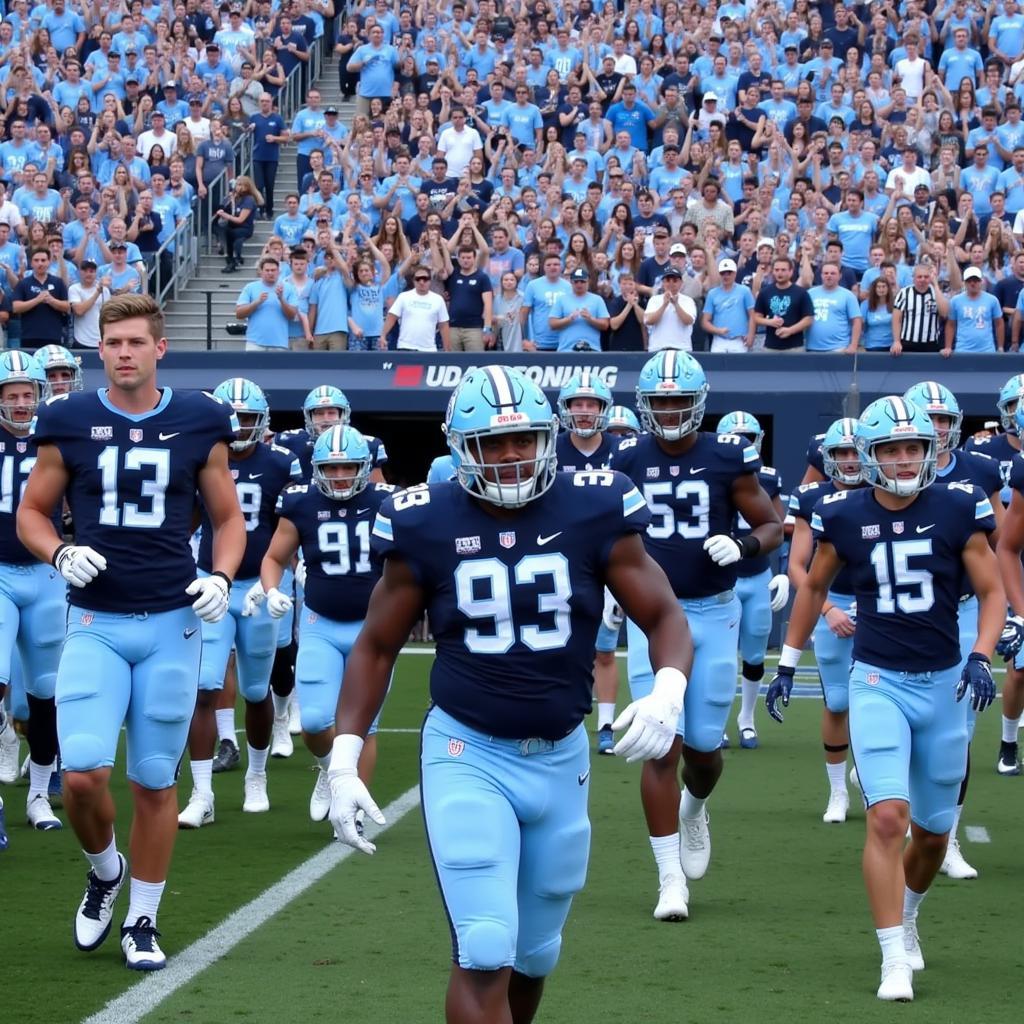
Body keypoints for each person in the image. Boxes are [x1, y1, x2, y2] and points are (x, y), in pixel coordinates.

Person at [324, 366, 693, 1023]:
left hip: (561, 756)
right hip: (469, 749)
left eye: (522, 439)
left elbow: (663, 615)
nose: (511, 456)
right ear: (460, 448)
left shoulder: (596, 504)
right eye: (492, 444)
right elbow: (377, 645)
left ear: (547, 436)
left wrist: (667, 690)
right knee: (486, 945)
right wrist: (345, 756)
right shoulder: (424, 521)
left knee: (535, 954)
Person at [17, 294, 245, 970]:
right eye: (111, 343)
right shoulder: (69, 418)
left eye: (134, 343)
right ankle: (105, 871)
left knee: (153, 782)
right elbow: (33, 512)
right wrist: (58, 552)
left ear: (158, 347)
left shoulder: (201, 418)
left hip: (173, 621)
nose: (122, 354)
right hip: (95, 619)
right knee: (83, 777)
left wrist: (223, 576)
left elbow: (227, 518)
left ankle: (142, 919)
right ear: (100, 351)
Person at [766, 396, 1003, 1002]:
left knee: (932, 833)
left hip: (945, 680)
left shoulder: (957, 505)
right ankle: (891, 955)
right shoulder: (841, 513)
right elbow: (814, 585)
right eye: (891, 450)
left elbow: (991, 589)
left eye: (913, 448)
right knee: (888, 818)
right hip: (879, 681)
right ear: (869, 457)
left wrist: (981, 653)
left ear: (931, 450)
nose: (903, 460)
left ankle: (911, 911)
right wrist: (789, 663)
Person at [611, 350, 782, 919]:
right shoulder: (628, 456)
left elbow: (772, 523)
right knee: (662, 745)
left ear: (699, 402)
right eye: (659, 401)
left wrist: (745, 545)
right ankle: (668, 880)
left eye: (679, 400)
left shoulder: (727, 457)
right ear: (645, 404)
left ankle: (695, 806)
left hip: (713, 612)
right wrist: (611, 593)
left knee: (705, 750)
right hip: (652, 616)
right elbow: (607, 533)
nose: (669, 410)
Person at [257, 426, 394, 835]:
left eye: (347, 467)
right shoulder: (300, 501)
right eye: (330, 468)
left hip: (373, 629)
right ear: (316, 468)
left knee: (363, 726)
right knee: (315, 722)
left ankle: (351, 812)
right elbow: (273, 557)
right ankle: (329, 770)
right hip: (320, 623)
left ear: (364, 466)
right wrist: (270, 590)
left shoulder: (386, 502)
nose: (338, 476)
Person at [177, 379, 302, 829]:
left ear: (263, 420)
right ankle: (202, 792)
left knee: (255, 690)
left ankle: (256, 774)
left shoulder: (281, 463)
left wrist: (282, 575)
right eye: (235, 418)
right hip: (213, 583)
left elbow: (291, 528)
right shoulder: (207, 457)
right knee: (205, 687)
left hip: (259, 588)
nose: (241, 426)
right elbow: (182, 523)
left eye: (249, 418)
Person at [903, 380, 1005, 881]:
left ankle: (947, 834)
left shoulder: (980, 470)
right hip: (898, 612)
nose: (939, 428)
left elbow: (1001, 544)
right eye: (930, 418)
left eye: (945, 419)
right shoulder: (887, 462)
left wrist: (1008, 613)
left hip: (960, 608)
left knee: (958, 725)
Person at [0, 352, 66, 834]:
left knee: (44, 694)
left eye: (28, 394)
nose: (21, 404)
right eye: (12, 396)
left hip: (46, 575)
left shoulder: (59, 437)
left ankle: (40, 794)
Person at [787, 417, 864, 822]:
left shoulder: (882, 493)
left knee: (876, 698)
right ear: (828, 457)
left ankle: (870, 777)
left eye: (855, 452)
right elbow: (798, 569)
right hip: (831, 601)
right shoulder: (810, 497)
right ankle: (837, 792)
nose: (850, 461)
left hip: (878, 604)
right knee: (837, 701)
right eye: (841, 453)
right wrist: (828, 609)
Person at [715, 412, 788, 750]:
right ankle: (717, 720)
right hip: (723, 579)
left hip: (758, 575)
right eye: (736, 437)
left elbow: (781, 526)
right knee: (722, 656)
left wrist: (784, 571)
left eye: (748, 436)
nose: (743, 443)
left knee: (755, 654)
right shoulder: (712, 475)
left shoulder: (769, 478)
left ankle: (746, 717)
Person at [234, 257, 298, 351]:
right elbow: (239, 314)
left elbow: (292, 315)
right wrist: (256, 302)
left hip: (279, 343)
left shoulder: (289, 288)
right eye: (267, 270)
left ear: (278, 272)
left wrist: (281, 299)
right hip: (255, 342)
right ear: (261, 272)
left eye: (273, 270)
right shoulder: (250, 287)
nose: (270, 273)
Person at [753, 256, 815, 351]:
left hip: (795, 347)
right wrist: (770, 322)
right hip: (770, 347)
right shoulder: (765, 292)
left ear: (791, 272)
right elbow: (756, 317)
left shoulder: (801, 293)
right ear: (773, 271)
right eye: (777, 270)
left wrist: (790, 330)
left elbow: (809, 319)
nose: (779, 273)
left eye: (783, 270)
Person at [11, 249, 70, 347]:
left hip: (53, 336)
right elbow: (16, 307)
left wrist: (51, 301)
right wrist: (37, 300)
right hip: (29, 336)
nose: (40, 263)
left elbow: (67, 306)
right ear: (31, 263)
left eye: (43, 260)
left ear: (49, 262)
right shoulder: (24, 283)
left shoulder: (58, 282)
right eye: (36, 260)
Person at [382, 269, 451, 352]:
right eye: (418, 279)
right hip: (405, 347)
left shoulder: (438, 300)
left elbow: (443, 325)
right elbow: (391, 317)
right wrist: (383, 335)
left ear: (430, 280)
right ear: (414, 281)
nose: (421, 282)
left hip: (429, 349)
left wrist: (447, 350)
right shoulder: (404, 297)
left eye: (425, 279)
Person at [944, 267, 1004, 354]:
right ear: (964, 282)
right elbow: (950, 325)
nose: (972, 283)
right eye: (969, 281)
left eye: (976, 280)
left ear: (981, 281)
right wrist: (948, 347)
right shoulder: (955, 301)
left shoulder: (992, 300)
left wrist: (1000, 347)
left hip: (987, 350)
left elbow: (999, 323)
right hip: (963, 349)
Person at [548, 267, 609, 351]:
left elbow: (605, 325)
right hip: (566, 350)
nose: (579, 284)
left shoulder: (597, 299)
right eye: (576, 281)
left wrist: (590, 319)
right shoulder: (562, 299)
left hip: (592, 350)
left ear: (588, 282)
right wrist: (569, 319)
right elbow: (552, 324)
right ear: (571, 282)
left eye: (582, 281)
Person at [445, 246, 494, 352]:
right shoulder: (453, 275)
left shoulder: (482, 277)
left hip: (474, 329)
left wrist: (487, 328)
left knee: (475, 362)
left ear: (474, 258)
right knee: (451, 362)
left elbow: (488, 304)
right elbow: (446, 257)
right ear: (458, 258)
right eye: (463, 258)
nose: (465, 260)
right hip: (453, 327)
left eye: (468, 257)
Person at [892, 265, 949, 355]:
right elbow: (896, 319)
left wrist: (936, 285)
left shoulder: (937, 293)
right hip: (908, 342)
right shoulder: (904, 293)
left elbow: (944, 313)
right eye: (919, 277)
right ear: (913, 278)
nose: (923, 279)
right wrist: (896, 341)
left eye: (926, 277)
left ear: (930, 278)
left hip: (931, 343)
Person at [701, 259, 755, 352]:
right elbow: (705, 321)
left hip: (739, 340)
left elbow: (752, 315)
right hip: (719, 340)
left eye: (729, 273)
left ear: (735, 273)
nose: (726, 276)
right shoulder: (712, 294)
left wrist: (751, 335)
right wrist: (718, 330)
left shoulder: (745, 291)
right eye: (723, 273)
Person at [807, 263, 862, 353]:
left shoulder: (848, 295)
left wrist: (853, 345)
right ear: (821, 275)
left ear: (840, 276)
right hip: (812, 347)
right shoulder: (810, 293)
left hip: (839, 348)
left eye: (833, 273)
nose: (829, 276)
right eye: (826, 273)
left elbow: (857, 321)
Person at [644, 266, 696, 352]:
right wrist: (664, 305)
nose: (671, 283)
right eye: (668, 280)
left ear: (681, 283)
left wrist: (676, 304)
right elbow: (648, 320)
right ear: (663, 283)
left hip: (682, 349)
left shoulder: (688, 301)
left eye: (675, 281)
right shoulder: (654, 300)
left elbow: (689, 321)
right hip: (658, 348)